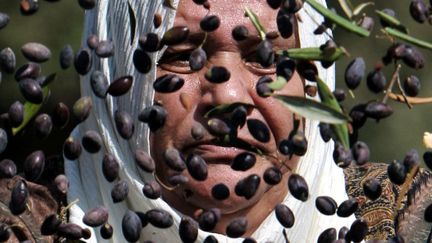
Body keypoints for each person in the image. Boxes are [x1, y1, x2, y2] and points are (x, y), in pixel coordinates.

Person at [64, 0, 432, 242]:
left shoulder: (410, 223)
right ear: (115, 72)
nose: (227, 97)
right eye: (181, 54)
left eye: (266, 59)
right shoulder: (27, 227)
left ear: (314, 81)